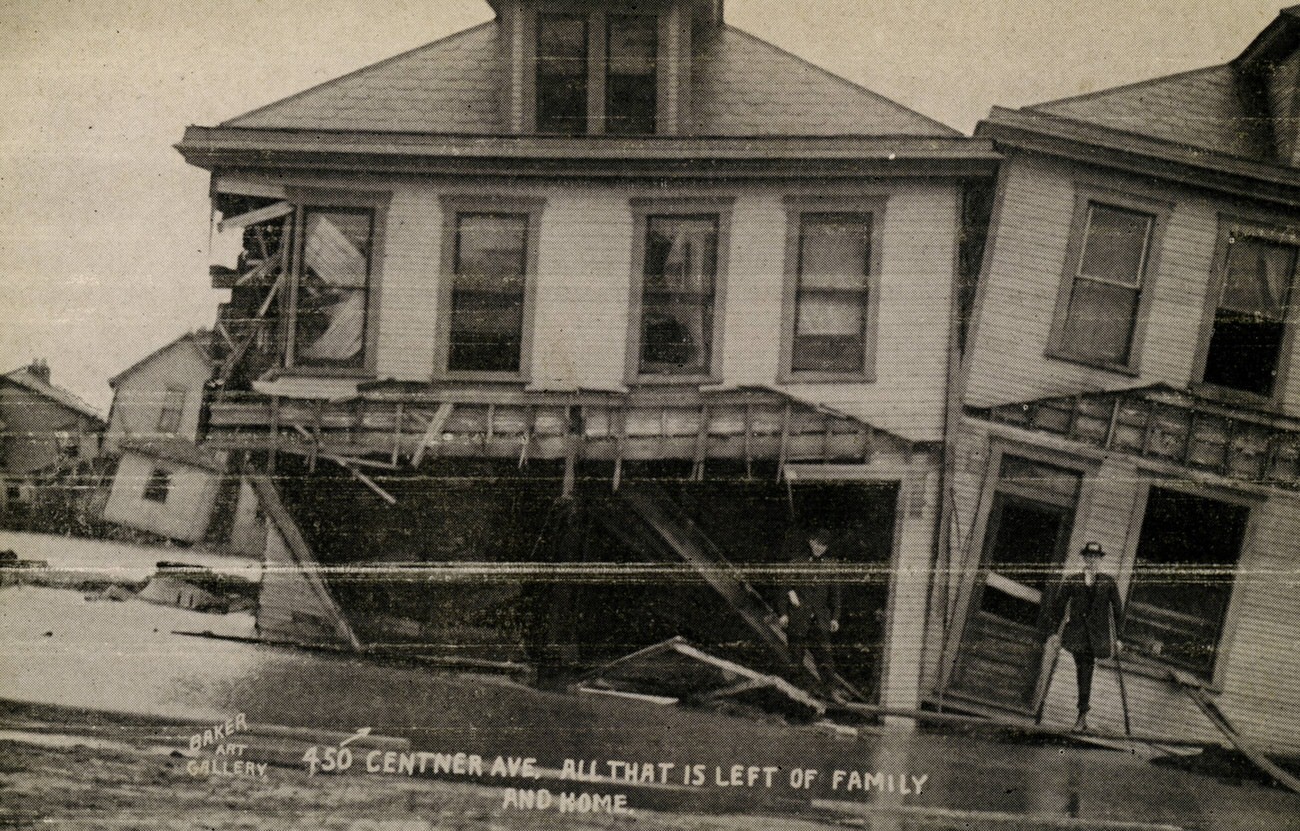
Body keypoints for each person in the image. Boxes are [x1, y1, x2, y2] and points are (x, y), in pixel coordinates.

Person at [1040, 541, 1124, 732]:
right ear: (1084, 558)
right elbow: (1058, 607)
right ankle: (1080, 715)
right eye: (1089, 556)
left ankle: (1082, 715)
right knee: (1084, 672)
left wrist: (1118, 637)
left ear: (1100, 559)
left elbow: (1117, 612)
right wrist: (1054, 633)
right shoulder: (1073, 580)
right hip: (1076, 635)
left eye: (1095, 557)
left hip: (1097, 637)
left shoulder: (1108, 582)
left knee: (1085, 672)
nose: (1092, 560)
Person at [778, 526, 842, 695]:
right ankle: (793, 694)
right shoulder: (796, 564)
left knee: (825, 658)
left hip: (820, 621)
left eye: (824, 545)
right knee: (795, 660)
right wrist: (783, 613)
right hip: (798, 619)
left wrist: (835, 618)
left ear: (827, 548)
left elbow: (835, 597)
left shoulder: (831, 568)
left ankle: (831, 692)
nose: (819, 548)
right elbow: (784, 590)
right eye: (817, 543)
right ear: (811, 541)